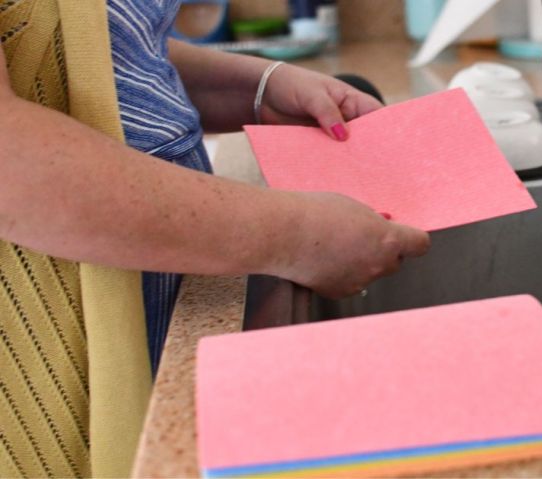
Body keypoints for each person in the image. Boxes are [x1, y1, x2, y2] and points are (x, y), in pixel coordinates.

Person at [0, 0, 430, 477]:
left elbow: (96, 52)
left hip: (144, 294)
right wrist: (297, 236)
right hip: (47, 362)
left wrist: (257, 86)